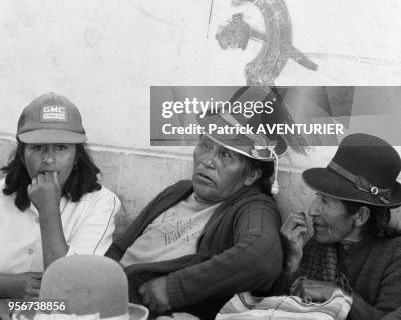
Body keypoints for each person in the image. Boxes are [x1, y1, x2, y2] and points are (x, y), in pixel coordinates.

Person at [106, 108, 285, 320]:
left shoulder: (253, 206)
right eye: (206, 145)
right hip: (108, 296)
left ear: (252, 175)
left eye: (226, 155)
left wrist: (175, 288)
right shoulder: (178, 190)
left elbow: (261, 258)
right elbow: (119, 249)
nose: (207, 161)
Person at [0, 92, 121, 300]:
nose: (48, 160)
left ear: (76, 157)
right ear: (22, 154)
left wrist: (49, 211)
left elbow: (70, 285)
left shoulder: (100, 203)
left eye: (61, 148)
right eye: (38, 148)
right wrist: (4, 286)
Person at [279, 133, 401, 320]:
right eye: (317, 197)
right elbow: (285, 308)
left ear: (360, 216)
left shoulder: (395, 258)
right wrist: (293, 260)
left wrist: (342, 300)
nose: (312, 211)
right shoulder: (318, 246)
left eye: (325, 202)